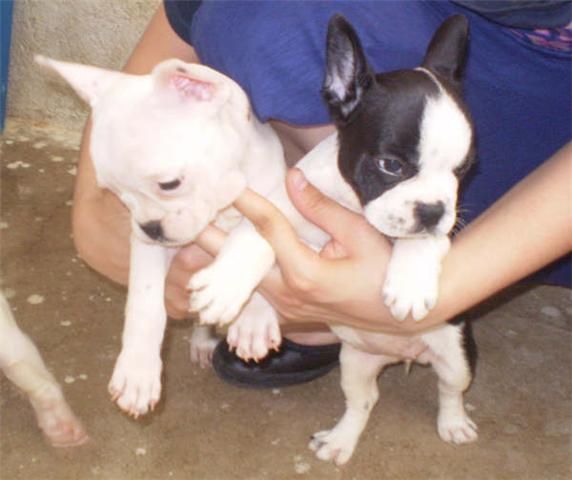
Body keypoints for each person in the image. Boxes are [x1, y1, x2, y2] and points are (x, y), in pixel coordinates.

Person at [72, 1, 571, 387]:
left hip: (551, 109)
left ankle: (343, 287)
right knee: (252, 16)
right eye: (394, 166)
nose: (436, 196)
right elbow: (162, 56)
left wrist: (452, 288)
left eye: (460, 170)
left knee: (399, 227)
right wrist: (93, 211)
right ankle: (327, 267)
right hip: (416, 46)